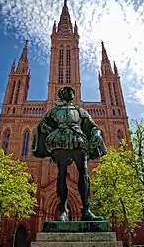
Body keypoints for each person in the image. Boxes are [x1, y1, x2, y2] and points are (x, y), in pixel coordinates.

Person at [32, 86, 107, 221]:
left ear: (73, 96)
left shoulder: (80, 111)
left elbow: (93, 126)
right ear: (61, 96)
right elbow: (42, 126)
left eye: (71, 92)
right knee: (61, 174)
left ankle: (86, 210)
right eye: (66, 92)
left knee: (83, 173)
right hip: (61, 144)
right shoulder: (54, 111)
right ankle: (63, 212)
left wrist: (96, 133)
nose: (69, 93)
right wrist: (49, 132)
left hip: (79, 142)